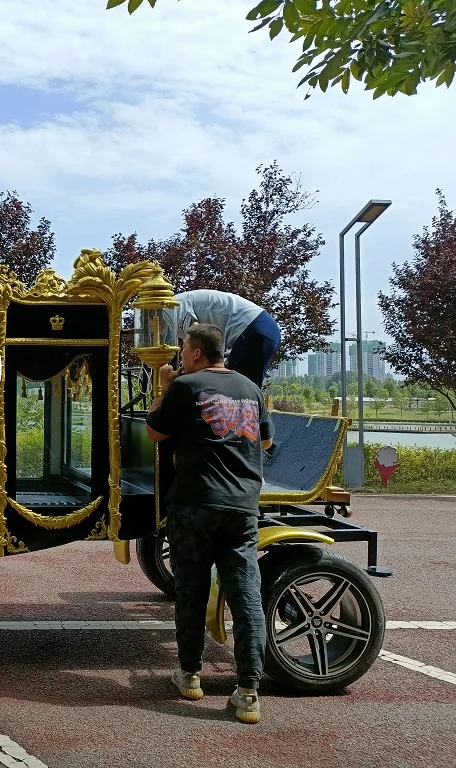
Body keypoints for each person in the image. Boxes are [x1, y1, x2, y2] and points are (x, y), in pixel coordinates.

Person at [145, 323, 273, 724]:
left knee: (192, 589)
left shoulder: (186, 385)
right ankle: (248, 692)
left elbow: (154, 432)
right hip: (242, 506)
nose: (181, 354)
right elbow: (265, 441)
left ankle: (190, 675)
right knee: (246, 596)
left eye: (184, 348)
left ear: (197, 352)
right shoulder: (250, 388)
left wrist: (164, 386)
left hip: (195, 503)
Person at [162, 289, 282, 388]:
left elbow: (198, 336)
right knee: (242, 392)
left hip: (253, 328)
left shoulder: (169, 308)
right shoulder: (173, 309)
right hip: (263, 327)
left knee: (238, 393)